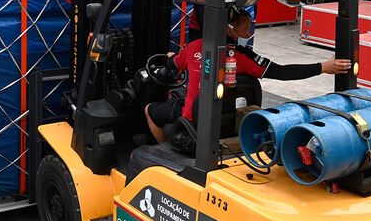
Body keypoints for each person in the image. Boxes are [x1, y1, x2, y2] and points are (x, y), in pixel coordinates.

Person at [145, 9, 351, 143]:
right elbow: (282, 72)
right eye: (245, 30)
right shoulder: (242, 58)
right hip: (226, 122)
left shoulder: (194, 47)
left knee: (149, 110)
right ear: (229, 28)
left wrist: (172, 58)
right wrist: (322, 67)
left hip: (193, 122)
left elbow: (171, 64)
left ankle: (168, 151)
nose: (248, 35)